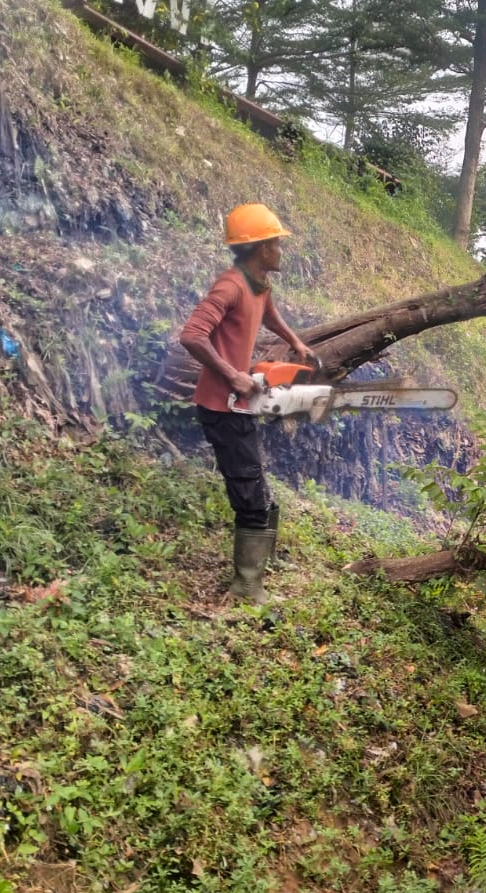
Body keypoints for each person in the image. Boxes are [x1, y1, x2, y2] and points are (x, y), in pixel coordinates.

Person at [178, 203, 316, 602]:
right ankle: (246, 586)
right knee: (251, 495)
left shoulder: (258, 282)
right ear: (259, 248)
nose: (280, 250)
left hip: (238, 404)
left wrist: (296, 342)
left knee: (258, 489)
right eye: (275, 243)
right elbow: (192, 334)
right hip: (222, 406)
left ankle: (257, 571)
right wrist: (233, 375)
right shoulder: (231, 285)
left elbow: (268, 312)